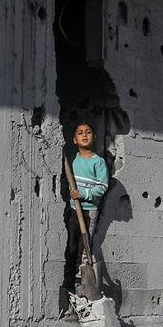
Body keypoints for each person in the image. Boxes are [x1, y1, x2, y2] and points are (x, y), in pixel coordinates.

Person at [63, 122, 108, 291]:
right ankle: (70, 280)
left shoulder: (98, 162)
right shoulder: (72, 160)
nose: (84, 135)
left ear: (94, 137)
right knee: (71, 245)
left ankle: (81, 283)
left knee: (85, 246)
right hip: (74, 209)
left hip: (90, 211)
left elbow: (102, 187)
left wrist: (83, 194)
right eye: (80, 132)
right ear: (74, 140)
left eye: (88, 132)